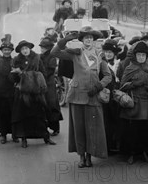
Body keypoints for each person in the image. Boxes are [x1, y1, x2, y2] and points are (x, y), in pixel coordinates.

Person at [52, 27, 111, 168]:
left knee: (92, 128)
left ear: (94, 40)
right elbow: (55, 52)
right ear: (82, 40)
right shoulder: (75, 53)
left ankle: (90, 156)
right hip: (77, 95)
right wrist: (66, 39)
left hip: (93, 96)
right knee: (78, 128)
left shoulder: (99, 55)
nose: (88, 40)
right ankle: (81, 156)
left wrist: (98, 86)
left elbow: (108, 76)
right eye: (86, 38)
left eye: (91, 38)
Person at [119, 41, 148, 164]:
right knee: (133, 130)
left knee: (146, 130)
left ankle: (145, 153)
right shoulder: (129, 68)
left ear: (146, 56)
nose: (141, 57)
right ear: (135, 56)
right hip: (134, 103)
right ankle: (131, 154)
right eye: (139, 55)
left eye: (143, 55)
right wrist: (134, 84)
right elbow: (122, 85)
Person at [10, 40, 56, 148]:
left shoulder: (37, 58)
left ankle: (46, 137)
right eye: (22, 49)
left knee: (40, 115)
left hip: (35, 92)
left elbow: (43, 73)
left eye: (26, 48)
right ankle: (24, 139)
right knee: (23, 116)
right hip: (22, 92)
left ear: (29, 49)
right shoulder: (16, 60)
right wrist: (16, 75)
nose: (25, 51)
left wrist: (30, 76)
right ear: (20, 51)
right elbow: (12, 77)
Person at [101, 39, 122, 153]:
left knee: (116, 120)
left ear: (114, 53)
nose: (108, 54)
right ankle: (107, 146)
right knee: (106, 121)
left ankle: (115, 143)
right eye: (106, 52)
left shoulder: (120, 64)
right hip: (105, 96)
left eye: (110, 52)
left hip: (116, 96)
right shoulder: (101, 64)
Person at [39, 37, 63, 136]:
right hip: (42, 83)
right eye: (42, 47)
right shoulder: (40, 57)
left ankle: (55, 128)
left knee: (52, 105)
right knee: (43, 105)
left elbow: (50, 71)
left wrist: (40, 75)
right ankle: (45, 127)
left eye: (44, 47)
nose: (42, 49)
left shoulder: (52, 57)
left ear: (49, 48)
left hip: (49, 84)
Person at [0, 40, 16, 144]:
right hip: (1, 92)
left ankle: (15, 135)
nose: (6, 52)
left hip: (12, 92)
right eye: (5, 50)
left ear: (11, 51)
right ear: (2, 51)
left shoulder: (14, 61)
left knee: (14, 113)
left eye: (8, 50)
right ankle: (3, 135)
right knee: (3, 114)